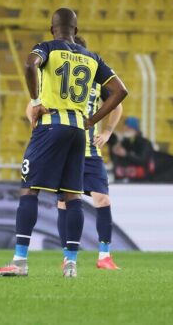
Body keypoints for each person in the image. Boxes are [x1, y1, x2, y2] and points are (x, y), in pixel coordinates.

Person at [0, 8, 128, 278]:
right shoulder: (92, 57)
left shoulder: (48, 48)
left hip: (51, 125)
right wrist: (93, 120)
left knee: (30, 190)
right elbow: (120, 91)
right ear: (76, 30)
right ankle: (71, 264)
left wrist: (36, 101)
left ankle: (19, 262)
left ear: (52, 29)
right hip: (78, 130)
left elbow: (30, 65)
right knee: (72, 196)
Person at [55, 36, 123, 270]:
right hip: (65, 151)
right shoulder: (58, 77)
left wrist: (107, 132)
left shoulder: (94, 76)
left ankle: (104, 256)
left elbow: (117, 103)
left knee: (102, 199)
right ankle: (67, 256)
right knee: (64, 203)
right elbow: (32, 104)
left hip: (90, 152)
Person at [110, 116, 155, 182]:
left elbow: (143, 160)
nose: (125, 130)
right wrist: (114, 151)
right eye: (125, 128)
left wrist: (126, 154)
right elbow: (116, 162)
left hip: (141, 181)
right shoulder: (123, 142)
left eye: (128, 128)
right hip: (123, 180)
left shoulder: (145, 143)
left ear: (135, 129)